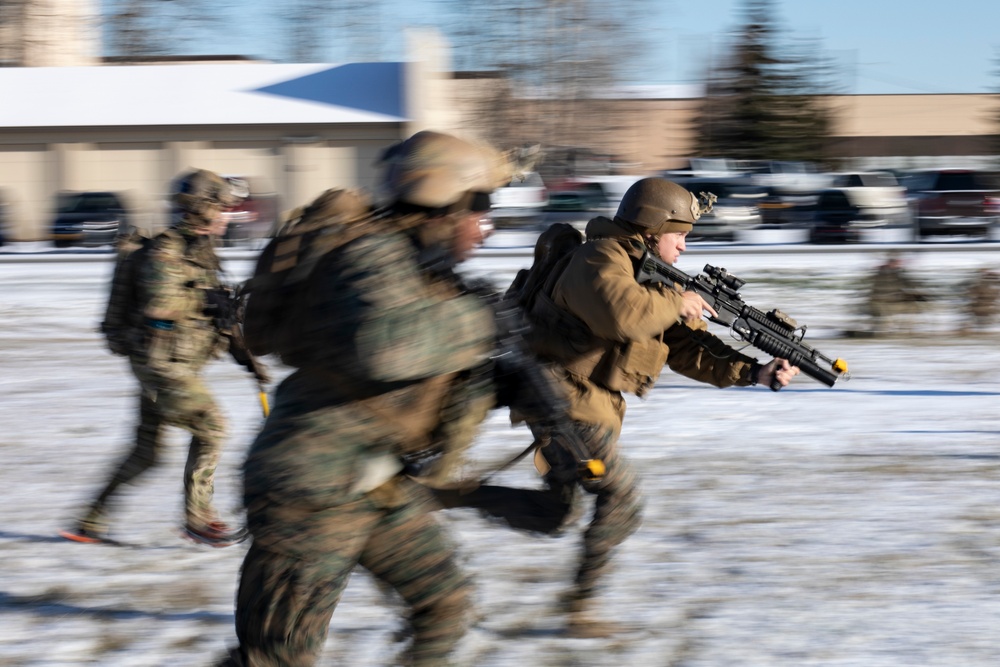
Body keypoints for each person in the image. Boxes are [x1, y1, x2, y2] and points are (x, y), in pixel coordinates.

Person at [439, 177, 800, 638]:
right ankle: (581, 610)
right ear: (653, 228)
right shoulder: (600, 259)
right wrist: (679, 301)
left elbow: (687, 347)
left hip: (586, 405)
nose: (685, 247)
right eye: (681, 236)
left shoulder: (650, 277)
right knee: (621, 498)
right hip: (560, 401)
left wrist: (756, 371)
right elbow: (625, 315)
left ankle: (452, 495)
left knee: (557, 514)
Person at [216, 130, 506, 667]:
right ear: (446, 205)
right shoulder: (370, 255)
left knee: (444, 605)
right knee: (276, 657)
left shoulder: (425, 271)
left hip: (375, 481)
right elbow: (387, 347)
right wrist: (482, 321)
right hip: (310, 484)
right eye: (481, 213)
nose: (486, 231)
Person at [60, 168, 253, 547]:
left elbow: (213, 316)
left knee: (145, 452)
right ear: (204, 209)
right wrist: (206, 300)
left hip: (171, 365)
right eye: (222, 209)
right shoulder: (167, 250)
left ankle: (89, 521)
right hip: (161, 366)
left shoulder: (201, 251)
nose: (226, 217)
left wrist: (246, 355)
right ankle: (198, 518)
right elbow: (159, 305)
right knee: (212, 427)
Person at [867, 252, 928, 334]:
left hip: (880, 303)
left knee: (913, 305)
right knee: (914, 307)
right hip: (889, 303)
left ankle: (901, 326)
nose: (898, 264)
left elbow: (907, 283)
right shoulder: (895, 273)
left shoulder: (880, 273)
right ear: (892, 263)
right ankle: (907, 327)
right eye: (896, 263)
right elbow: (908, 284)